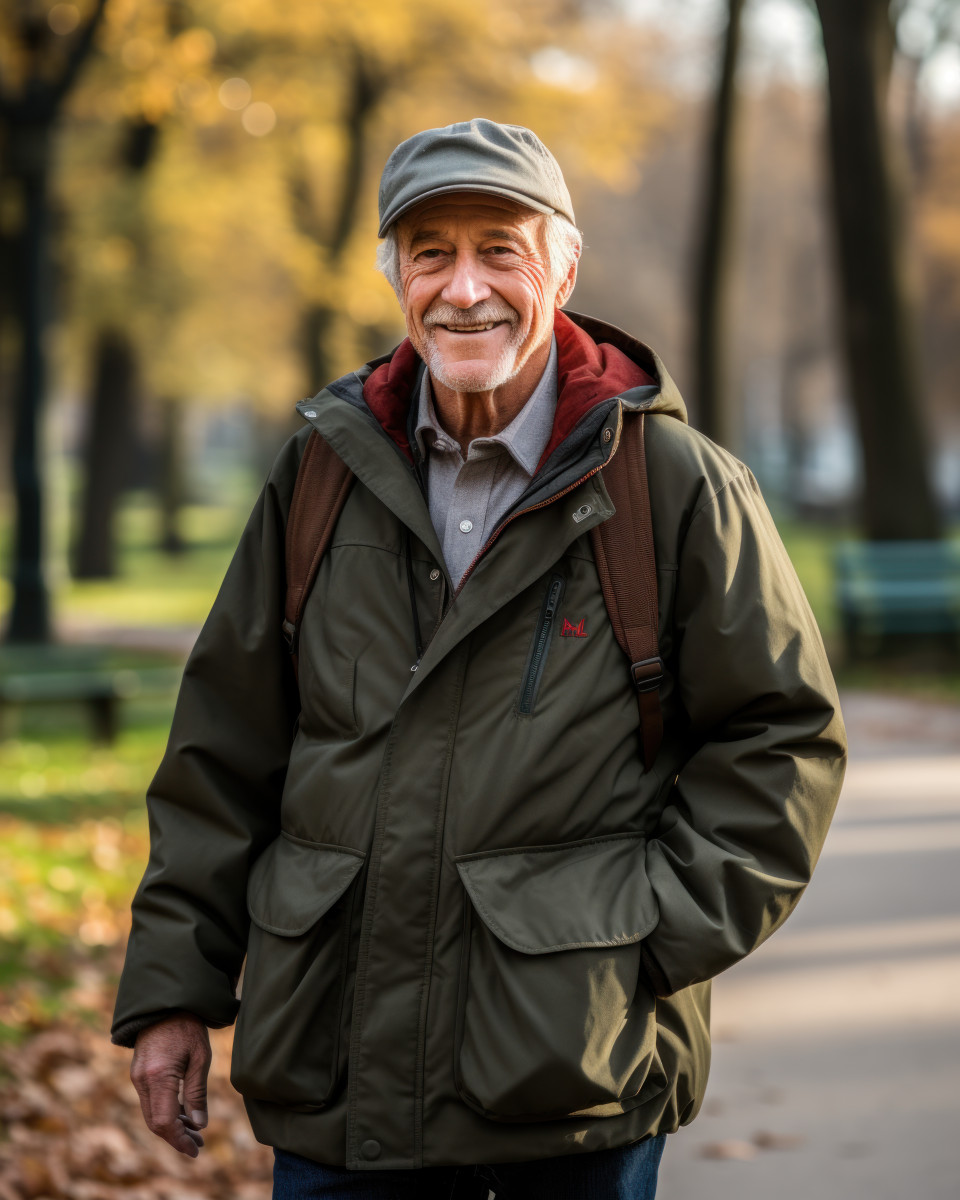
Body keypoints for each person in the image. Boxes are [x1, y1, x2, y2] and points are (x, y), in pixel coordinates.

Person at [111, 119, 847, 1199]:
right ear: (394, 277)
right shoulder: (319, 472)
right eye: (431, 253)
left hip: (572, 1093)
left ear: (563, 268)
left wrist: (637, 942)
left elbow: (782, 738)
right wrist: (174, 990)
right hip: (337, 1089)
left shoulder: (675, 485)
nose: (465, 290)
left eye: (501, 249)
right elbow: (224, 749)